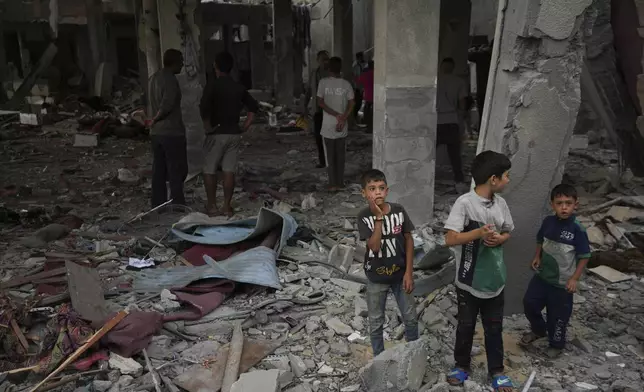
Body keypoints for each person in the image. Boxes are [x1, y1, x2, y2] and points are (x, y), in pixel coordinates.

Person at [444, 151, 515, 392]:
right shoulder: (465, 203)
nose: (509, 180)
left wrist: (500, 239)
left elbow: (508, 231)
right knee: (465, 325)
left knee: (494, 327)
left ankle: (497, 370)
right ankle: (461, 365)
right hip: (468, 281)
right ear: (493, 179)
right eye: (507, 175)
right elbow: (450, 238)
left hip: (495, 280)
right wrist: (478, 234)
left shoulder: (501, 204)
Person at [520, 184, 591, 357]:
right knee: (529, 303)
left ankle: (556, 344)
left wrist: (574, 279)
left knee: (558, 318)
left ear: (576, 204)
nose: (564, 207)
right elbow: (540, 240)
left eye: (568, 203)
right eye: (559, 203)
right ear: (552, 204)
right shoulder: (548, 222)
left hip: (562, 284)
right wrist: (537, 256)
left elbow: (584, 256)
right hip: (543, 277)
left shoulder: (577, 229)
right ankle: (538, 330)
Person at [357, 169, 418, 356]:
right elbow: (374, 247)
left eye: (381, 188)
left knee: (410, 318)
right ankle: (379, 359)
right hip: (376, 277)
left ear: (387, 191)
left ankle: (412, 355)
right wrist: (379, 219)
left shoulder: (398, 210)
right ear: (364, 193)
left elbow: (408, 239)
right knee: (376, 322)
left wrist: (409, 272)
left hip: (400, 275)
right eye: (372, 188)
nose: (377, 192)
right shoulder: (364, 216)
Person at [199, 52, 259, 217]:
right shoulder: (238, 87)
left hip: (216, 133)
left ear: (215, 66)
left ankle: (212, 206)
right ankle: (226, 206)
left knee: (209, 170)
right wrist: (245, 126)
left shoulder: (212, 85)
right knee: (228, 170)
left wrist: (207, 127)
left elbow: (203, 109)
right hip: (233, 133)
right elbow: (253, 108)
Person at [148, 49, 188, 208]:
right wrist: (155, 119)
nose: (183, 64)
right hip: (171, 132)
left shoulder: (153, 78)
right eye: (181, 60)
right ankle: (177, 203)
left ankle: (158, 203)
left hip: (156, 133)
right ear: (175, 61)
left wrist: (152, 121)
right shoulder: (170, 79)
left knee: (158, 169)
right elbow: (167, 105)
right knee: (176, 169)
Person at [317, 57, 355, 191]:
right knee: (340, 155)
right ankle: (340, 182)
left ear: (328, 69)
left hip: (327, 125)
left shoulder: (323, 83)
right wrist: (343, 117)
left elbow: (320, 102)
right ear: (340, 69)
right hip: (342, 125)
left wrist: (335, 115)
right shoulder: (346, 84)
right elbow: (352, 103)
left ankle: (332, 184)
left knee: (330, 156)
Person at [436, 57, 468, 189]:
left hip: (435, 121)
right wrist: (461, 119)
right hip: (451, 121)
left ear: (441, 67)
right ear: (452, 67)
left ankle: (421, 177)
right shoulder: (459, 82)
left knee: (428, 152)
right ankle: (459, 179)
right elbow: (462, 103)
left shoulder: (435, 81)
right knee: (455, 154)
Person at [303, 50, 330, 168]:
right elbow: (309, 91)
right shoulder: (314, 73)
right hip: (317, 110)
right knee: (318, 137)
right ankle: (322, 161)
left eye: (326, 59)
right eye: (323, 59)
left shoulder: (331, 74)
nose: (325, 61)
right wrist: (304, 106)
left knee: (330, 138)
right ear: (318, 60)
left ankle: (331, 161)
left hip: (330, 111)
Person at [356, 60, 374, 131]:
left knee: (367, 112)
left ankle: (369, 127)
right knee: (374, 112)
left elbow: (358, 82)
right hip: (376, 97)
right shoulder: (377, 74)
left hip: (367, 97)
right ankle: (372, 127)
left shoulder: (365, 74)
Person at [352, 52, 367, 121]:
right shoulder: (355, 67)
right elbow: (355, 78)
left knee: (362, 103)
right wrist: (357, 87)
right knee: (358, 103)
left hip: (364, 87)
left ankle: (358, 118)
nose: (362, 58)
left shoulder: (365, 65)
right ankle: (355, 118)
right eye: (360, 57)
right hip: (358, 88)